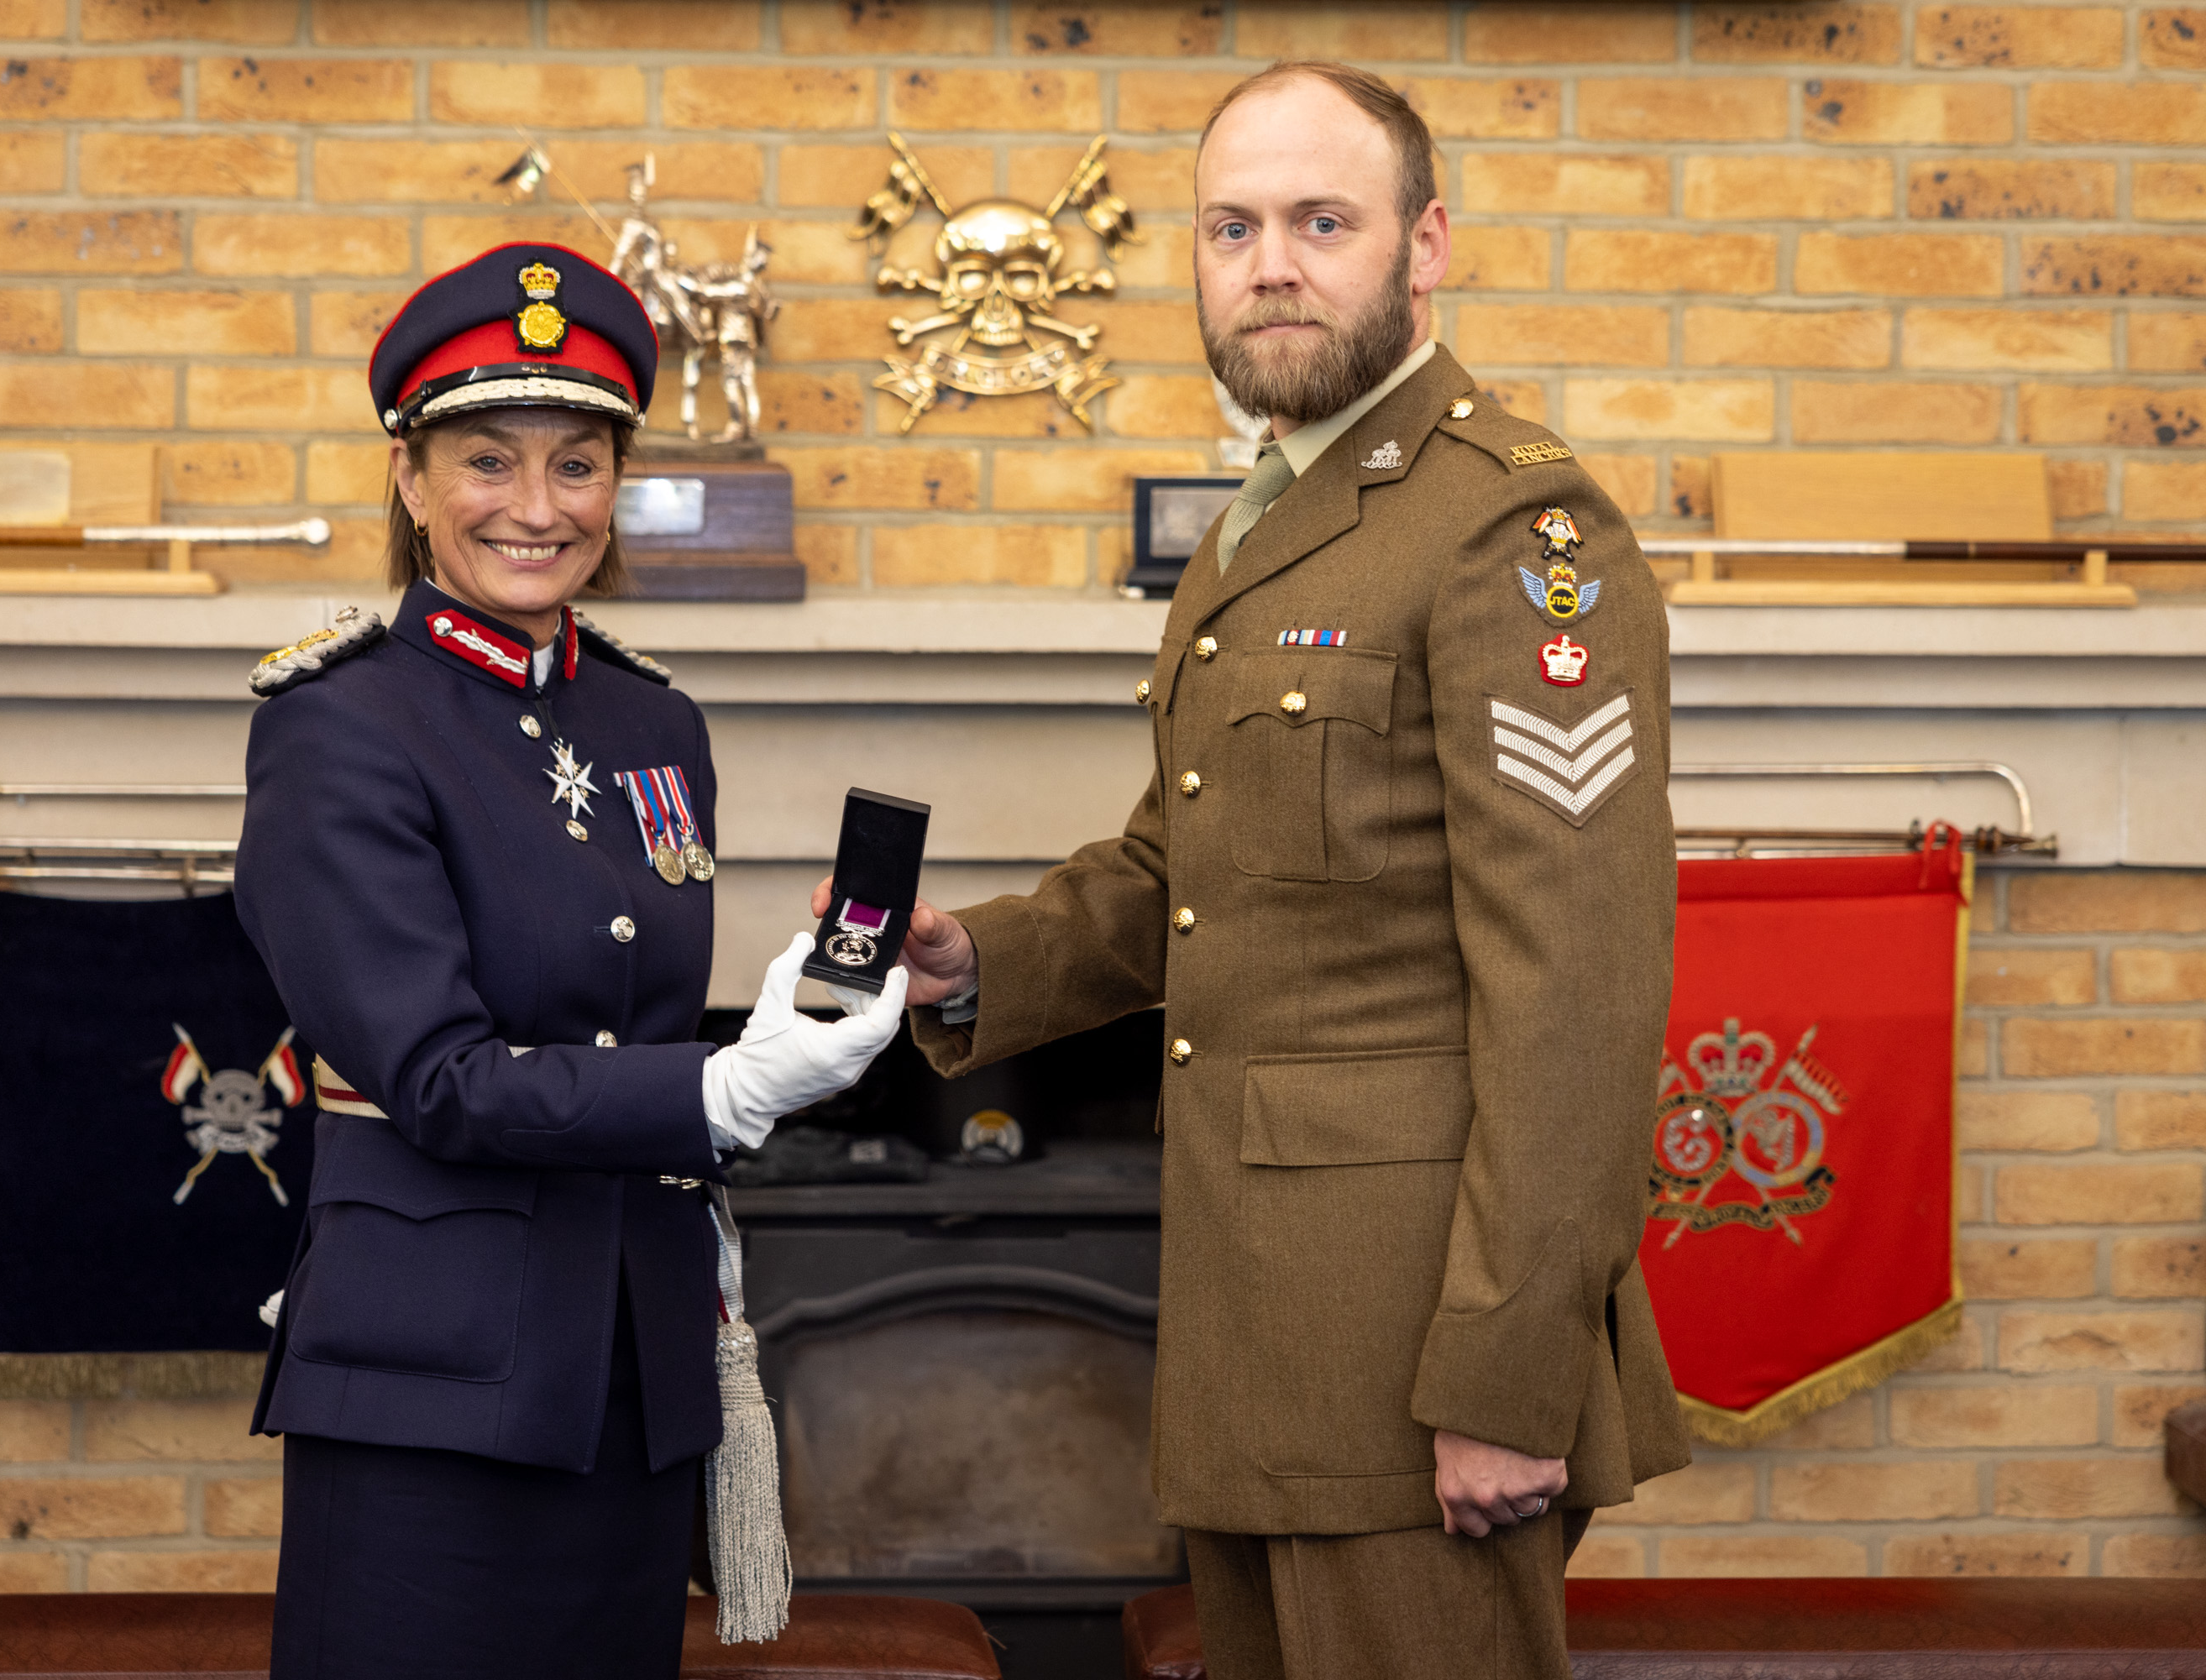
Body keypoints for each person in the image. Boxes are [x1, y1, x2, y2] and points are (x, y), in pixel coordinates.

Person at [828, 63, 1691, 1680]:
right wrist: (980, 960)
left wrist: (1507, 1379)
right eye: (1233, 227)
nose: (1270, 263)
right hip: (1256, 1336)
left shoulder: (1512, 530)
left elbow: (1576, 990)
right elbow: (1198, 864)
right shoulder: (1267, 521)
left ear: (1425, 244)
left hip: (1421, 1360)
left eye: (1321, 221)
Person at [233, 242, 906, 1680]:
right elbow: (442, 1079)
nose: (537, 509)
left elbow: (616, 1025)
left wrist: (778, 1012)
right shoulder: (340, 724)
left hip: (637, 1366)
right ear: (411, 479)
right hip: (433, 1383)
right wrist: (723, 1091)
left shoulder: (657, 723)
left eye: (579, 464)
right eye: (488, 460)